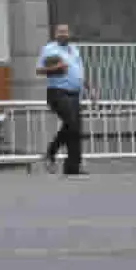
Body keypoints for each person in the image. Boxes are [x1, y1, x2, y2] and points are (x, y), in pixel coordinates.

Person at [36, 23, 90, 178]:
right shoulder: (49, 49)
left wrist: (90, 88)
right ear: (55, 34)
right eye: (60, 32)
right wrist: (56, 68)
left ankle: (72, 167)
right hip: (57, 92)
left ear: (69, 34)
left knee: (75, 129)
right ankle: (51, 152)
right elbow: (39, 70)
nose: (63, 34)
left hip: (74, 94)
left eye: (65, 32)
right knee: (71, 123)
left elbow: (80, 73)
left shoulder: (74, 50)